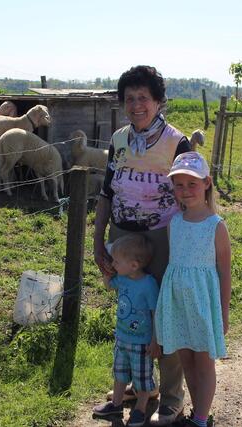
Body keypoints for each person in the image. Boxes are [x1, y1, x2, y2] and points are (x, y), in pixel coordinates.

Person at [93, 65, 192, 425]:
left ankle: (171, 397)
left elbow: (193, 195)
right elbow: (106, 192)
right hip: (122, 235)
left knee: (165, 315)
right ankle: (138, 386)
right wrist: (97, 239)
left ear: (159, 102)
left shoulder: (176, 143)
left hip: (163, 239)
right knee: (133, 310)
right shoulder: (118, 139)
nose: (137, 105)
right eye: (130, 98)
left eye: (144, 98)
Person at [155, 151, 232, 427]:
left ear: (207, 182)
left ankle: (200, 420)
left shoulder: (216, 226)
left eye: (192, 184)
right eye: (179, 185)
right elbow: (173, 267)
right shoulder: (174, 223)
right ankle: (200, 413)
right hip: (178, 304)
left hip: (203, 305)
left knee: (204, 363)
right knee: (186, 361)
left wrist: (223, 313)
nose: (185, 191)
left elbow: (224, 272)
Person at [92, 234, 159, 427]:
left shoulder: (148, 284)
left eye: (117, 261)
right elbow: (108, 287)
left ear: (134, 265)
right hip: (121, 338)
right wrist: (106, 273)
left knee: (143, 377)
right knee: (120, 373)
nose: (113, 264)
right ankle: (116, 404)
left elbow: (155, 313)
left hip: (142, 342)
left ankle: (140, 408)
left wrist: (155, 340)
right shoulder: (121, 278)